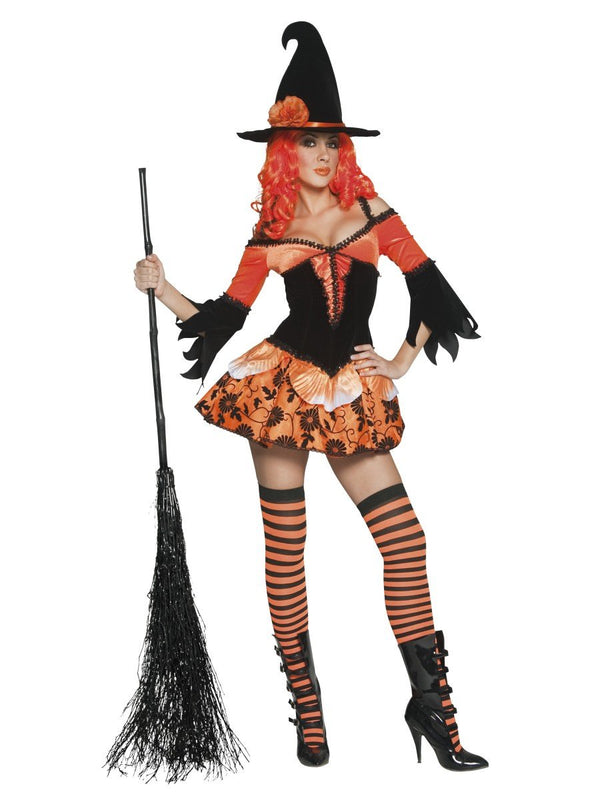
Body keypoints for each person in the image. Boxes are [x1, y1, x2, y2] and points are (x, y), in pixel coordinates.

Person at [133, 21, 488, 772]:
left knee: (405, 541)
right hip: (280, 392)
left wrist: (399, 362)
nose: (322, 155)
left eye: (332, 142)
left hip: (351, 392)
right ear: (283, 151)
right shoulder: (272, 229)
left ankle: (431, 707)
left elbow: (432, 290)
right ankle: (309, 703)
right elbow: (226, 316)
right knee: (287, 551)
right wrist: (163, 289)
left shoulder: (374, 214)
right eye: (308, 143)